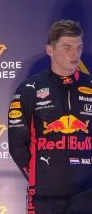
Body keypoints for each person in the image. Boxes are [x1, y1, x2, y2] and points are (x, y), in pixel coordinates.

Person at [8, 20, 92, 214]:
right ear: (50, 50)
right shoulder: (30, 89)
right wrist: (38, 178)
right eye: (67, 48)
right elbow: (17, 145)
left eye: (79, 48)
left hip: (87, 191)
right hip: (45, 193)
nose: (75, 54)